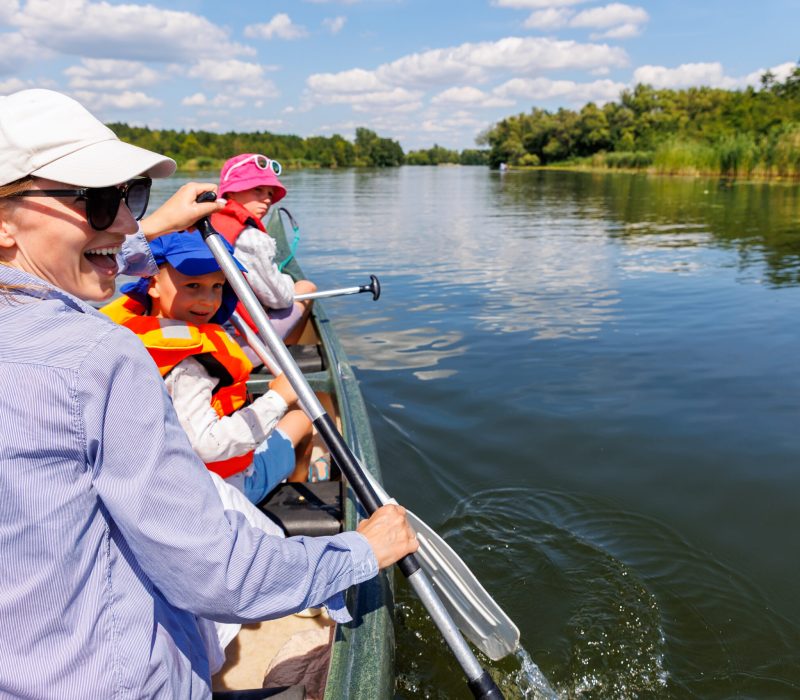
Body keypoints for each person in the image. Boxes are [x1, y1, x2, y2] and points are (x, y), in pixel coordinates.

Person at [0, 88, 417, 698]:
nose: (125, 222)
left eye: (130, 197)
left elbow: (96, 250)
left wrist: (156, 225)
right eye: (98, 202)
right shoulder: (98, 358)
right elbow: (214, 573)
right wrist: (360, 550)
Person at [100, 229, 325, 500]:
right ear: (153, 283)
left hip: (158, 472)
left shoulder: (124, 333)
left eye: (217, 286)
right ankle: (298, 493)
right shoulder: (192, 364)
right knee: (301, 419)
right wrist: (277, 399)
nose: (208, 301)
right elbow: (207, 445)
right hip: (217, 489)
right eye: (193, 286)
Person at [211, 153, 317, 345]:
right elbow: (280, 299)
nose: (267, 200)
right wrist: (290, 283)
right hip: (237, 344)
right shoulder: (250, 237)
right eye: (257, 190)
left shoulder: (208, 220)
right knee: (306, 287)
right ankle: (286, 351)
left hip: (208, 331)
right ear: (232, 192)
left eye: (269, 193)